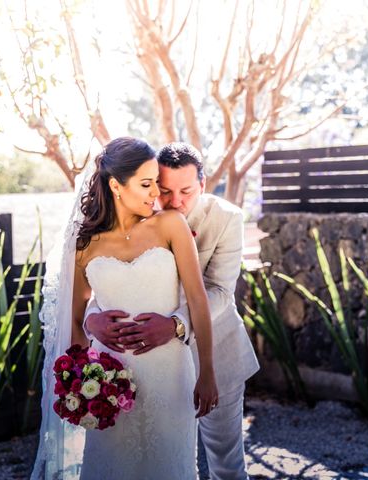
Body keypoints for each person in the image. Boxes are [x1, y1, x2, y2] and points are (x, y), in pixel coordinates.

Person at [31, 137, 217, 480]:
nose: (154, 194)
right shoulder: (84, 244)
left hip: (170, 374)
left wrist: (207, 370)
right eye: (146, 185)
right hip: (110, 380)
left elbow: (198, 299)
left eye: (156, 185)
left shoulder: (170, 225)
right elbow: (73, 319)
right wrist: (91, 330)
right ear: (116, 185)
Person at [85, 142, 259, 480]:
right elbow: (112, 277)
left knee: (226, 463)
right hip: (150, 364)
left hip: (217, 353)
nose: (175, 201)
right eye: (165, 190)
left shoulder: (227, 219)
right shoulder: (137, 213)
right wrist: (92, 319)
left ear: (203, 185)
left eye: (186, 191)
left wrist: (177, 324)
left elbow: (221, 292)